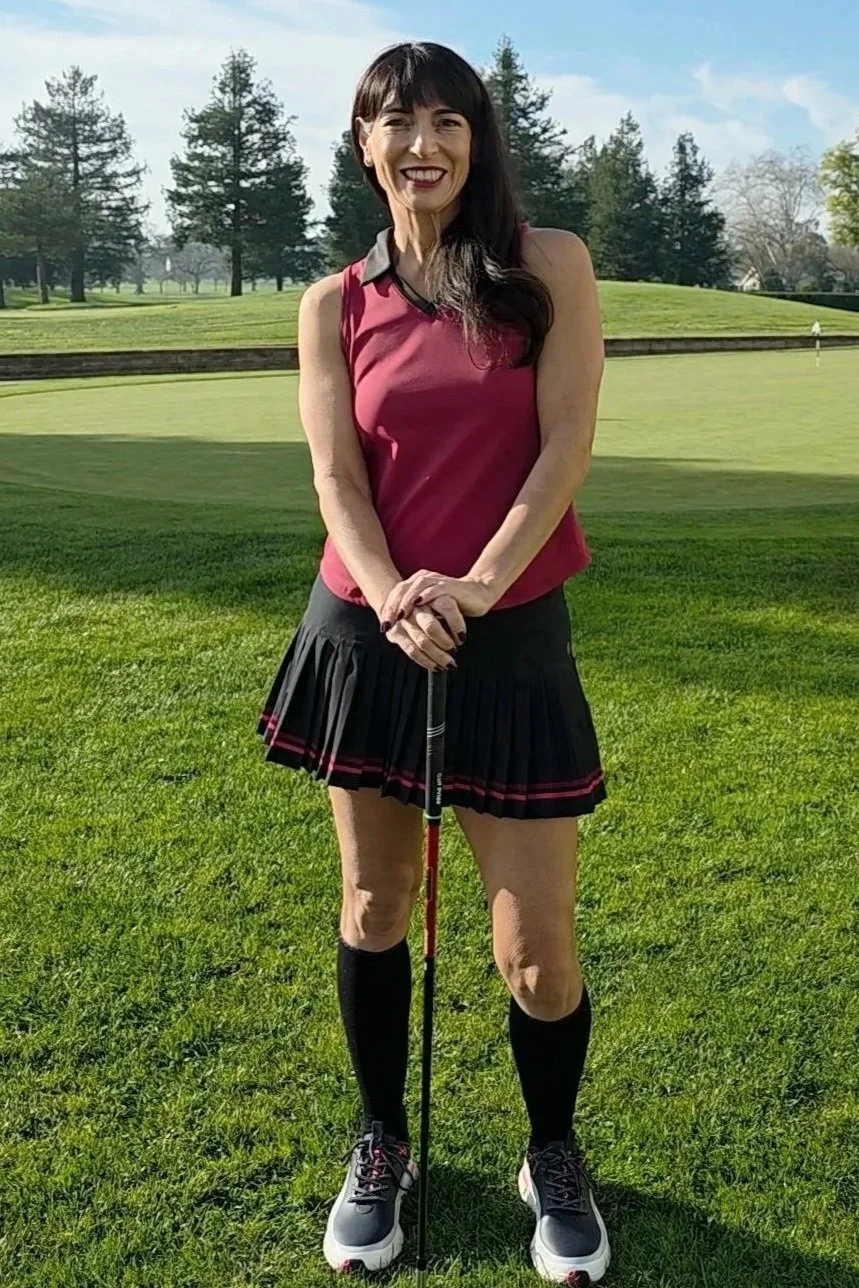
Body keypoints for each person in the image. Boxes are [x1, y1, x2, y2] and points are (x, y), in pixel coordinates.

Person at [256, 40, 611, 1285]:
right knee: (373, 906)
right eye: (397, 123)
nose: (424, 144)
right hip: (366, 626)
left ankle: (549, 1153)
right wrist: (402, 590)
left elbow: (564, 443)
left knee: (537, 953)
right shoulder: (330, 303)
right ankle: (383, 1141)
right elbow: (333, 475)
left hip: (507, 628)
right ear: (364, 145)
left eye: (448, 121)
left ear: (479, 139)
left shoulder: (548, 264)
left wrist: (474, 583)